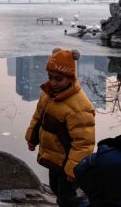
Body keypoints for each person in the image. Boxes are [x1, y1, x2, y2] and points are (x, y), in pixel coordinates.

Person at [25, 48, 96, 207]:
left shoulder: (79, 107)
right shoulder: (48, 94)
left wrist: (73, 169)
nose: (53, 82)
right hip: (53, 157)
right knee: (56, 188)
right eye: (50, 77)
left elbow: (83, 142)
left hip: (67, 160)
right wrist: (32, 139)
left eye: (59, 79)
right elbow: (38, 118)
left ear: (70, 78)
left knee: (67, 196)